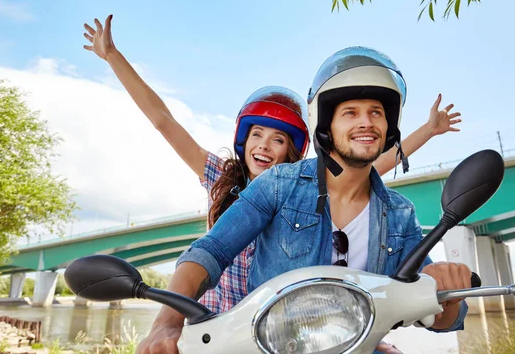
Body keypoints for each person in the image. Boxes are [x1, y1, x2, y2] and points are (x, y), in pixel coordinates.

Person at [82, 15, 463, 318]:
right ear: (242, 140)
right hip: (216, 319)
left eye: (278, 139)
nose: (265, 146)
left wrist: (426, 131)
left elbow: (373, 159)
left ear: (294, 150)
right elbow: (164, 120)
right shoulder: (224, 177)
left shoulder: (306, 186)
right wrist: (114, 56)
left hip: (292, 327)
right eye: (257, 135)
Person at [135, 46, 471, 353]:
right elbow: (211, 250)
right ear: (326, 125)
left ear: (389, 126)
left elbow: (439, 315)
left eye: (377, 113)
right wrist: (167, 322)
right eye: (350, 113)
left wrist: (446, 291)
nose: (366, 122)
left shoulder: (399, 214)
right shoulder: (278, 185)